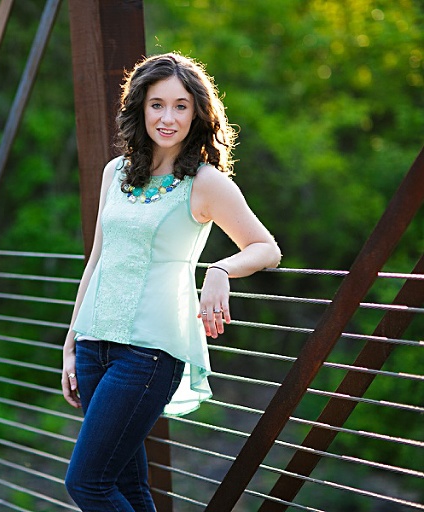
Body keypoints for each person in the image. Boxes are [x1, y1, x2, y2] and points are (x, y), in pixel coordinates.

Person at [61, 52, 282, 511]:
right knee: (126, 486)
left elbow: (265, 248)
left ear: (198, 113)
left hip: (149, 353)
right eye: (157, 104)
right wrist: (70, 343)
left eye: (181, 106)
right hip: (92, 344)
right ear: (140, 107)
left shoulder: (206, 183)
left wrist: (220, 270)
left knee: (87, 483)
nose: (168, 117)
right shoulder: (115, 173)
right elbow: (98, 261)